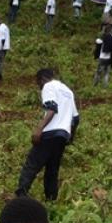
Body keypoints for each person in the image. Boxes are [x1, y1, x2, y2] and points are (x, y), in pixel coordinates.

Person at [15, 69, 79, 201]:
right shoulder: (67, 90)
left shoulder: (48, 86)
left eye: (38, 83)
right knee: (52, 168)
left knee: (32, 164)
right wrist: (70, 137)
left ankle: (21, 194)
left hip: (50, 132)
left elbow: (51, 108)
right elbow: (76, 118)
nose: (39, 87)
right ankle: (51, 198)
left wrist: (39, 129)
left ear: (42, 79)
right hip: (63, 134)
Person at [0, 16, 10, 81]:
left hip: (1, 48)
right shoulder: (4, 26)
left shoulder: (0, 29)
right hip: (5, 47)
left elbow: (2, 40)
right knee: (0, 61)